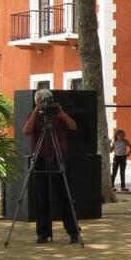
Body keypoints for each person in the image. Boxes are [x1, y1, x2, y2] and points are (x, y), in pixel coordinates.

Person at [22, 88, 80, 244]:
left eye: (46, 101)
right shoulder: (34, 116)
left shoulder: (58, 115)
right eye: (41, 102)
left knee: (66, 197)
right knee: (42, 198)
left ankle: (73, 232)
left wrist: (61, 113)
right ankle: (43, 233)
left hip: (58, 158)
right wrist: (36, 111)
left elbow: (73, 126)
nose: (45, 105)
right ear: (36, 102)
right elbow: (26, 130)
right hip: (40, 159)